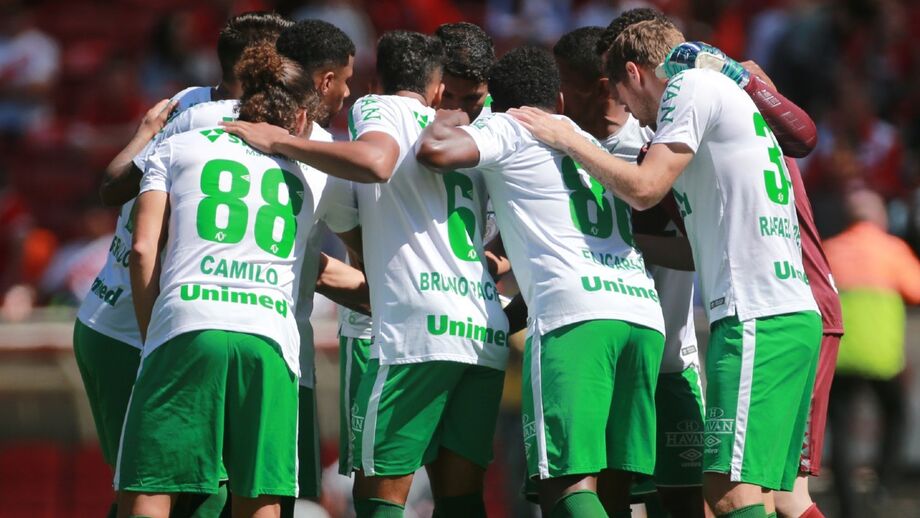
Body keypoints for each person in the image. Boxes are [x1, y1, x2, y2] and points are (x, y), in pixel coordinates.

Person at [511, 18, 821, 518]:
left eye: (624, 95)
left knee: (729, 493)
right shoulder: (727, 98)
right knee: (762, 495)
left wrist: (567, 138)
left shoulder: (689, 87)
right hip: (784, 314)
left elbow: (643, 187)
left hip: (758, 316)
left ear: (633, 72)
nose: (635, 116)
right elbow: (694, 251)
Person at [222, 30, 510, 518]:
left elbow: (377, 162)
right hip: (482, 328)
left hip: (414, 330)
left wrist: (283, 141)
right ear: (439, 89)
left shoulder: (381, 108)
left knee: (379, 498)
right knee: (461, 499)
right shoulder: (477, 140)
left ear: (377, 81)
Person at [416, 45, 666, 518]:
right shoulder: (584, 138)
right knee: (612, 492)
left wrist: (448, 114)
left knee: (565, 486)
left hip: (575, 322)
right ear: (560, 98)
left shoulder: (509, 125)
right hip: (639, 314)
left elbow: (435, 152)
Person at [74, 12, 294, 518]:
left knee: (166, 488)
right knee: (185, 490)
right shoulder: (230, 121)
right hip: (142, 328)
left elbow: (111, 187)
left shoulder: (185, 102)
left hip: (115, 316)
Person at [117, 42, 324, 518]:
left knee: (150, 482)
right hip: (270, 337)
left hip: (187, 322)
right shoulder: (310, 170)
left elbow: (144, 248)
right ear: (295, 118)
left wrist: (155, 335)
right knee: (261, 494)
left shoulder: (176, 145)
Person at [659, 39, 843, 518]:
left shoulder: (734, 129)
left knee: (757, 492)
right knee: (772, 494)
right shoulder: (749, 133)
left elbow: (803, 132)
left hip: (782, 307)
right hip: (796, 305)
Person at [552, 25, 705, 518]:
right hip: (602, 362)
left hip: (670, 365)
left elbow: (694, 249)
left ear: (608, 84)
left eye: (567, 84)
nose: (558, 97)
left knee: (683, 505)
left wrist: (628, 238)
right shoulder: (555, 152)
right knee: (596, 497)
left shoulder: (661, 150)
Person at [824, 188, 920, 518]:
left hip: (841, 357)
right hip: (883, 360)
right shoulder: (893, 251)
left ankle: (847, 504)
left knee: (840, 429)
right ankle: (882, 485)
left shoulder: (829, 251)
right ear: (879, 217)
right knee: (897, 415)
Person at [434, 22, 494, 121]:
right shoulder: (402, 120)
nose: (456, 111)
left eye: (471, 99)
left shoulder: (511, 124)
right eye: (445, 95)